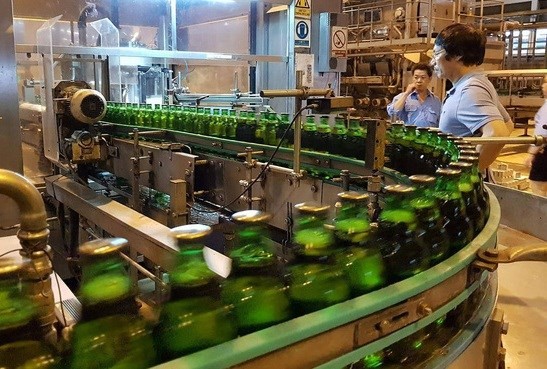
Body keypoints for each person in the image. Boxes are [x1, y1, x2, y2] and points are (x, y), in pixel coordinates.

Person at [430, 23, 514, 170]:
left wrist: (466, 174)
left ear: (457, 55)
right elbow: (508, 124)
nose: (433, 62)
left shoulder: (470, 90)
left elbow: (497, 134)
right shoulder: (478, 82)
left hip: (457, 187)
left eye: (437, 54)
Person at [386, 63, 442, 127]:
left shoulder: (436, 101)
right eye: (416, 77)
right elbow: (393, 113)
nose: (419, 80)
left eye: (423, 77)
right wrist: (406, 93)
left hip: (428, 136)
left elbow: (440, 124)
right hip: (408, 136)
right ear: (412, 78)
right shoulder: (402, 97)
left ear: (430, 79)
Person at [524, 75, 547, 196]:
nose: (543, 86)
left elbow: (543, 132)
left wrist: (531, 153)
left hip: (543, 152)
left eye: (546, 83)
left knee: (538, 187)